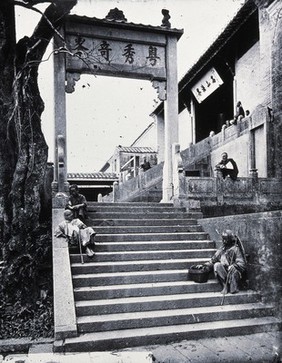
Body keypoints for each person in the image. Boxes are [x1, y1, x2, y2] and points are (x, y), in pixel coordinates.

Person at [199, 230, 247, 294]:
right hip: (224, 272)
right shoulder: (222, 249)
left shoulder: (236, 249)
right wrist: (204, 265)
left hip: (233, 273)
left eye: (226, 239)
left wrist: (234, 265)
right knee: (217, 265)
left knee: (233, 289)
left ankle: (234, 286)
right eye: (223, 239)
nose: (224, 241)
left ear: (230, 239)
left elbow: (242, 264)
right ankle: (225, 286)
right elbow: (213, 260)